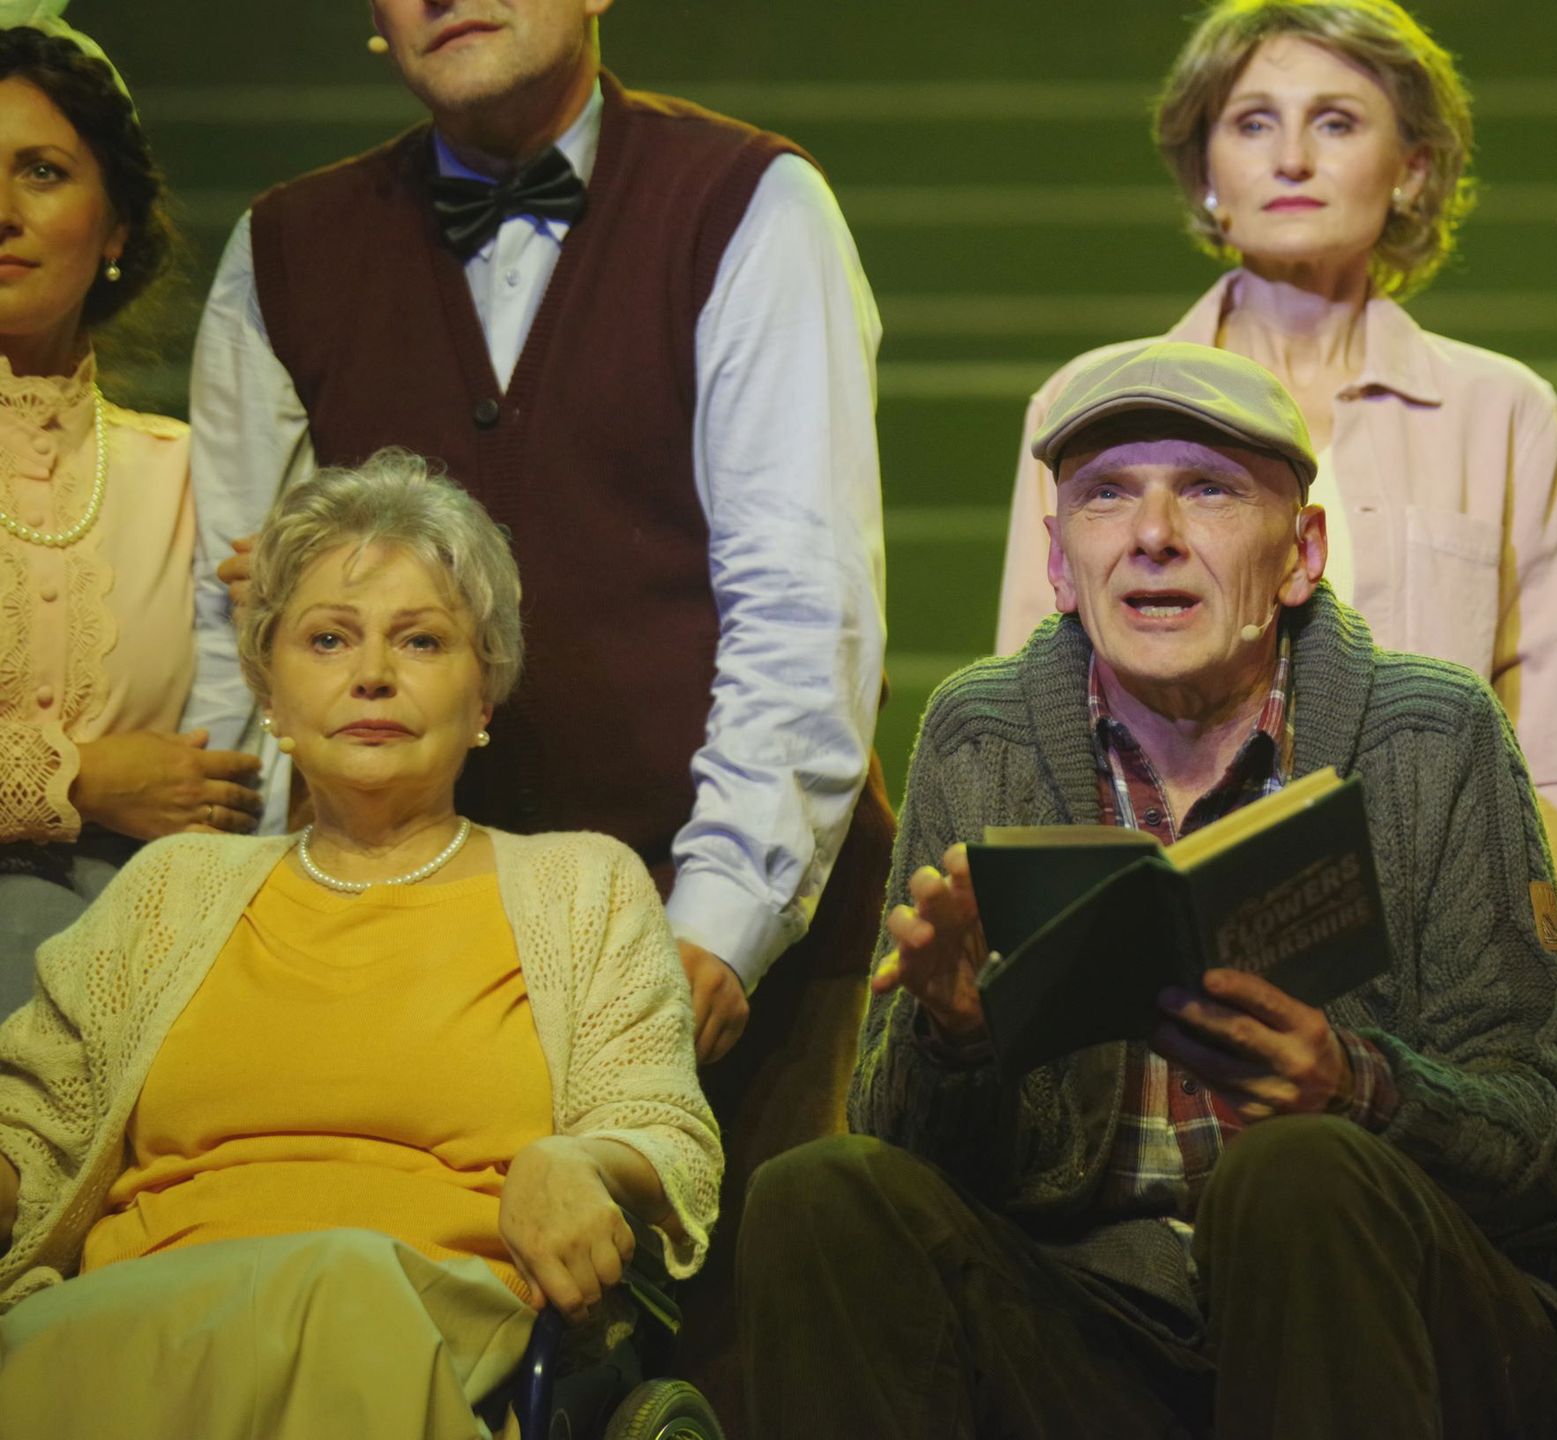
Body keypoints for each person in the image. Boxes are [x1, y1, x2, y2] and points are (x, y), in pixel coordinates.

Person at [182, 1, 891, 1410]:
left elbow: (801, 601)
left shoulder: (747, 203)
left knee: (741, 1374)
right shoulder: (284, 247)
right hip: (406, 944)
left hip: (719, 924)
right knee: (412, 1365)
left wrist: (716, 927)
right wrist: (246, 945)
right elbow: (243, 647)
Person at [737, 341, 1557, 1439]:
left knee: (1296, 1169)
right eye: (1105, 495)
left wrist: (1357, 1090)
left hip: (1375, 1310)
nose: (1152, 534)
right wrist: (956, 1042)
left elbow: (1542, 1128)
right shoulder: (982, 737)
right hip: (1093, 1325)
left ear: (1300, 554)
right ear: (1059, 564)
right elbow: (904, 1144)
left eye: (1208, 490)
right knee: (818, 1194)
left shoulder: (1430, 733)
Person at [0, 450, 722, 1438]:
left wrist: (584, 1159)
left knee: (338, 1285)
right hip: (143, 1326)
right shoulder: (172, 887)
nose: (372, 675)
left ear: (483, 696)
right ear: (271, 693)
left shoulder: (578, 886)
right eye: (329, 639)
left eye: (420, 641)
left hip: (431, 1332)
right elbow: (33, 1128)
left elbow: (661, 1125)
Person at [994, 0, 1557, 933]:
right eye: (1252, 123)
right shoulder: (1083, 402)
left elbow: (1553, 763)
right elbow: (1029, 706)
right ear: (1206, 171)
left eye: (1335, 122)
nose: (1291, 158)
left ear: (1410, 169)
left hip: (1434, 934)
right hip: (1144, 931)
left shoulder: (1503, 411)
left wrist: (1527, 972)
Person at [0, 17, 262, 1013]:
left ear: (116, 227)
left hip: (161, 946)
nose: (0, 212)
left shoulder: (197, 477)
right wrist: (74, 779)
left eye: (42, 172)